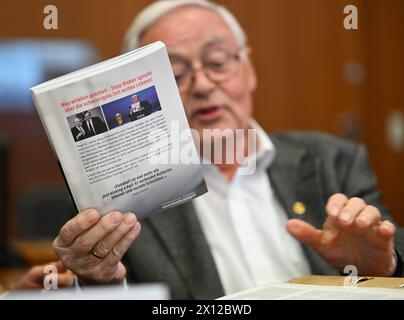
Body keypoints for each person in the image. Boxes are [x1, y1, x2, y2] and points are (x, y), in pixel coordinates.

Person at [51, 0, 404, 299]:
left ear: (247, 68)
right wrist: (100, 280)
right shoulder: (123, 200)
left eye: (218, 62)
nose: (203, 85)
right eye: (175, 74)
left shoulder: (333, 160)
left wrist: (384, 266)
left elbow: (393, 248)